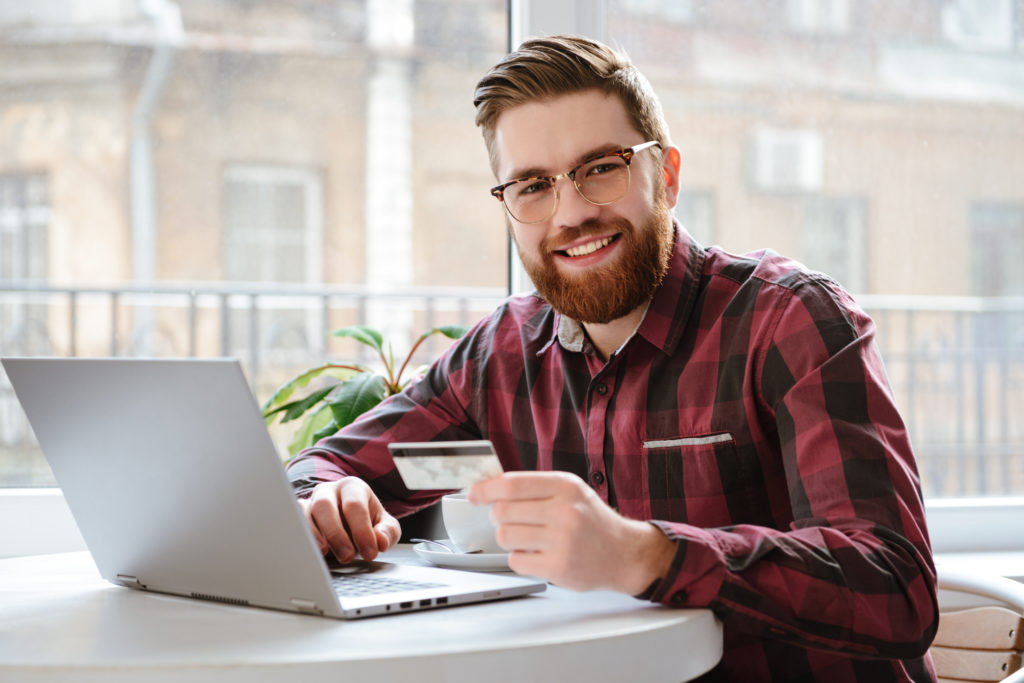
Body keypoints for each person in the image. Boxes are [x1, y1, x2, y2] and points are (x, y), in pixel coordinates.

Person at [286, 35, 938, 681]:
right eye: (534, 185)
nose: (571, 213)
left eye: (602, 168)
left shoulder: (789, 321)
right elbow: (341, 469)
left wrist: (642, 553)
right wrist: (327, 499)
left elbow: (893, 583)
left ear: (669, 176)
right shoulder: (501, 359)